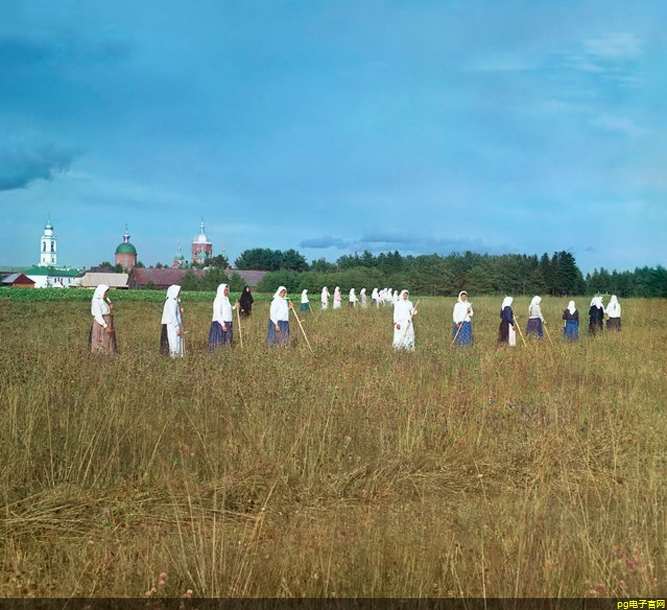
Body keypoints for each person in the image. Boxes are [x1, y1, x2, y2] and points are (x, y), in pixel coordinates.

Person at [89, 284, 118, 354]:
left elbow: (104, 310)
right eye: (105, 292)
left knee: (107, 339)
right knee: (101, 339)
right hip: (101, 324)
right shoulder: (96, 302)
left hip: (106, 322)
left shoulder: (102, 300)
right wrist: (105, 326)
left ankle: (108, 354)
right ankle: (100, 356)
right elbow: (98, 316)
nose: (106, 294)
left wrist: (110, 307)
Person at [208, 283, 236, 352]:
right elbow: (217, 313)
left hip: (228, 322)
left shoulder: (226, 299)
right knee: (219, 340)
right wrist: (223, 324)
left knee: (227, 340)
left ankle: (226, 354)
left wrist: (234, 307)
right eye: (225, 290)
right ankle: (217, 354)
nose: (227, 292)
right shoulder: (218, 300)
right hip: (220, 323)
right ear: (221, 290)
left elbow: (228, 309)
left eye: (227, 290)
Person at [160, 285, 184, 357]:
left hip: (171, 324)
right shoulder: (171, 302)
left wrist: (179, 311)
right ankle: (173, 357)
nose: (179, 293)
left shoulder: (172, 301)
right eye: (178, 291)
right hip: (171, 326)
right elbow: (172, 315)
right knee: (172, 342)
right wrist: (177, 327)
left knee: (170, 343)